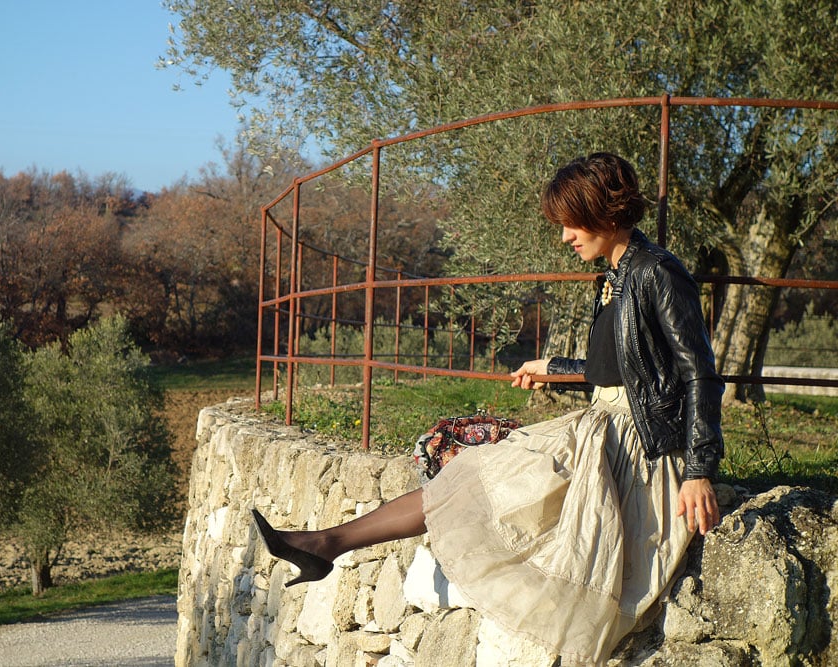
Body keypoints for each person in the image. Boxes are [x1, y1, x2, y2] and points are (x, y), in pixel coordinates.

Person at [252, 152, 724, 666]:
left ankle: (326, 544)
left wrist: (699, 470)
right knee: (467, 475)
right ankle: (328, 543)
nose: (565, 236)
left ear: (604, 211)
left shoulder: (658, 272)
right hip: (600, 427)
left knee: (496, 492)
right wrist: (556, 366)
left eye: (571, 222)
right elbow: (617, 367)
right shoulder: (611, 278)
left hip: (641, 449)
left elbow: (699, 371)